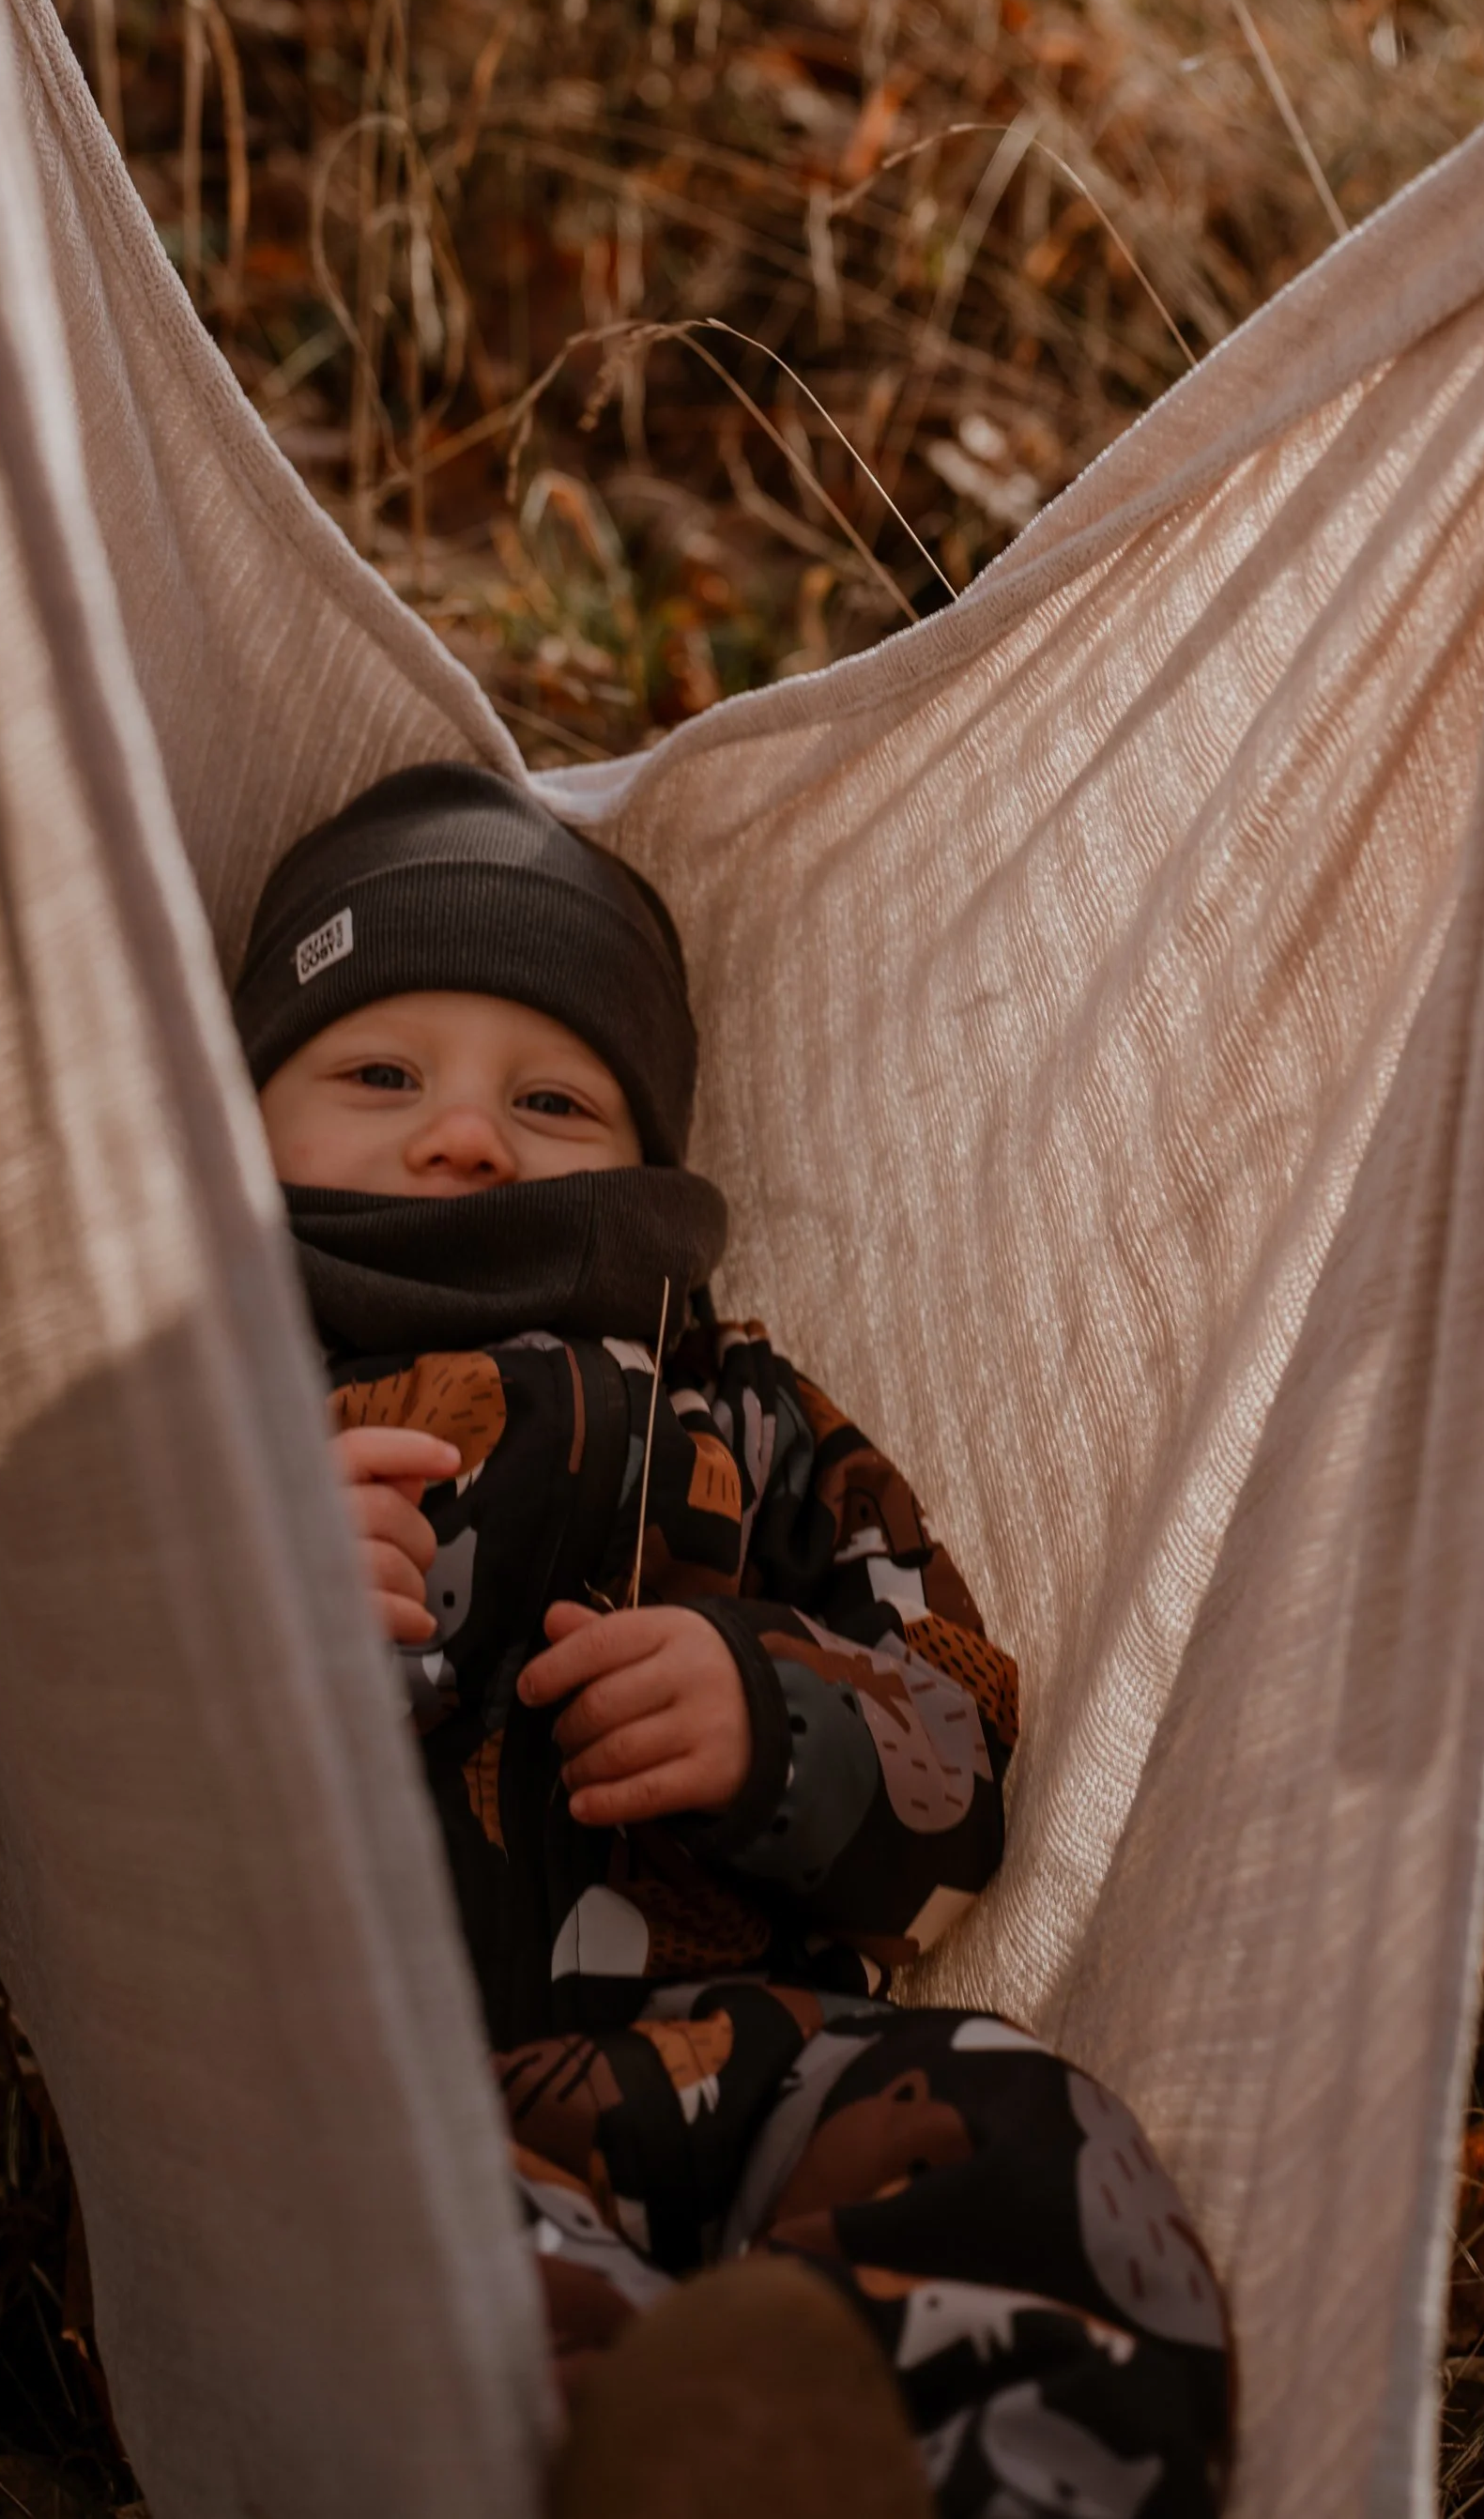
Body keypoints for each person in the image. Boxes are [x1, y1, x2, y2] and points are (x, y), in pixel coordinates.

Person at [232, 765, 1232, 2519]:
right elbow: (67, 1790)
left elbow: (960, 1745)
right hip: (362, 2110)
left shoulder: (753, 1415)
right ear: (234, 1125)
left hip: (742, 2062)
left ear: (650, 1165)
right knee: (464, 2320)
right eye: (380, 1074)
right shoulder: (208, 1416)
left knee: (1017, 2128)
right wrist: (244, 1605)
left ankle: (933, 2473)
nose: (466, 1136)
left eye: (553, 1097)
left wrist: (779, 1716)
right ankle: (672, 2455)